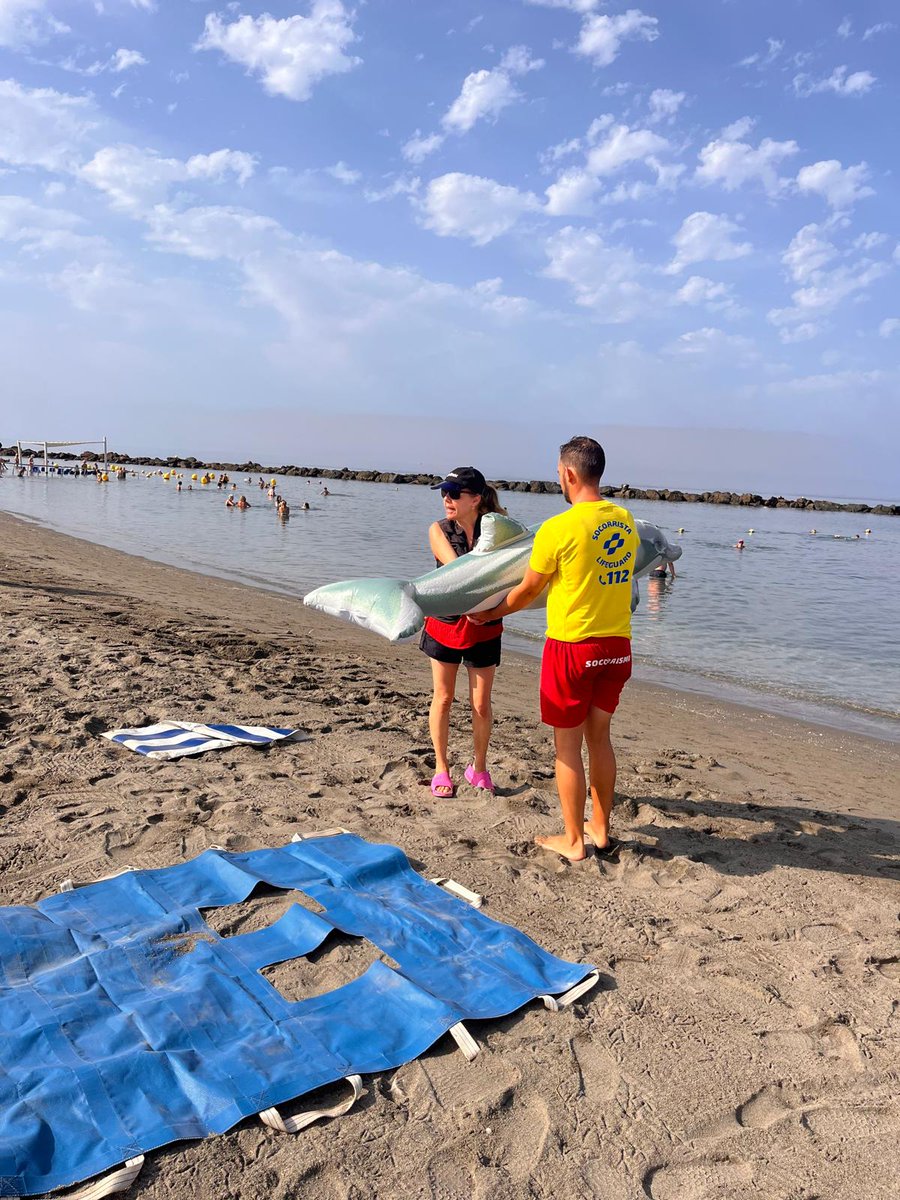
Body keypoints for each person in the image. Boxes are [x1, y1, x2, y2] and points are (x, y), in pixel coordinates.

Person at [470, 437, 637, 861]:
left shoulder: (558, 528)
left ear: (568, 474)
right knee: (600, 739)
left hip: (572, 649)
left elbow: (527, 591)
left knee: (567, 747)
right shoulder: (625, 521)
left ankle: (574, 841)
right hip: (617, 647)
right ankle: (599, 830)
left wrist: (489, 614)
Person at [421, 467, 507, 799]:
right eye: (444, 492)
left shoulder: (498, 532)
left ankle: (479, 767)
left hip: (485, 626)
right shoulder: (438, 530)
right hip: (445, 623)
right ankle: (441, 768)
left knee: (481, 703)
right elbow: (460, 571)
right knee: (443, 697)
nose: (447, 499)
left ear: (476, 499)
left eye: (454, 494)